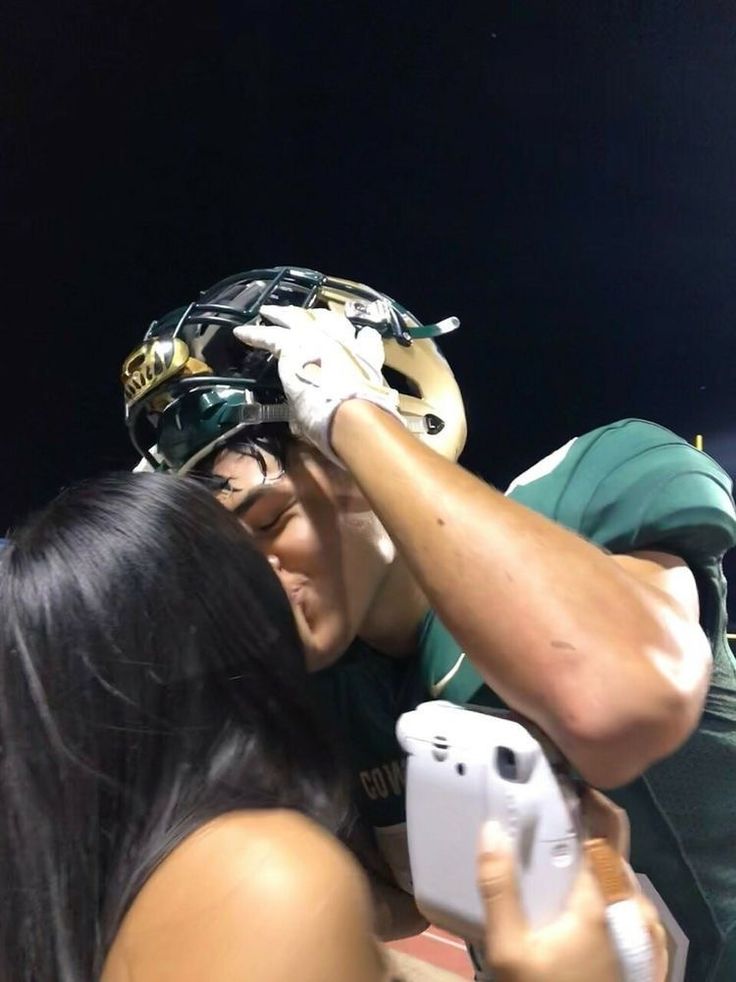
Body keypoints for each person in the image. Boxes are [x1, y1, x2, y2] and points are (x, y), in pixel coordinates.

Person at [121, 266, 736, 980]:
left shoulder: (584, 484)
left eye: (269, 518)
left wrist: (351, 413)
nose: (246, 572)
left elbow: (616, 701)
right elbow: (402, 899)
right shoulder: (335, 686)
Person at [0, 472, 662, 982]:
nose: (280, 576)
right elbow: (615, 697)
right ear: (228, 622)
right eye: (247, 554)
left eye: (274, 521)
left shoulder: (66, 875)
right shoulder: (261, 878)